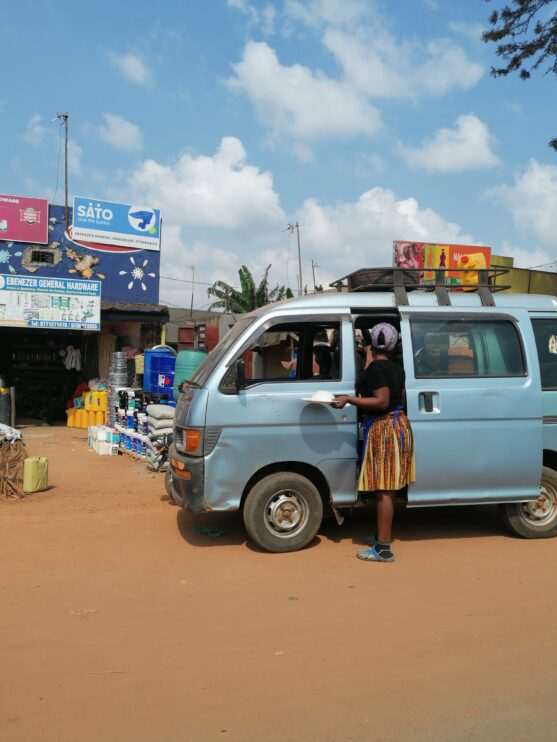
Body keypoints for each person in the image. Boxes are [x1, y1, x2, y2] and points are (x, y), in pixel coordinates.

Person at [334, 322, 415, 562]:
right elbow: (396, 397)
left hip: (385, 428)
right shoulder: (396, 368)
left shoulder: (376, 370)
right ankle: (381, 535)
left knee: (384, 491)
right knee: (387, 488)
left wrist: (349, 399)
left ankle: (383, 548)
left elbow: (381, 401)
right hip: (398, 424)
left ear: (373, 344)